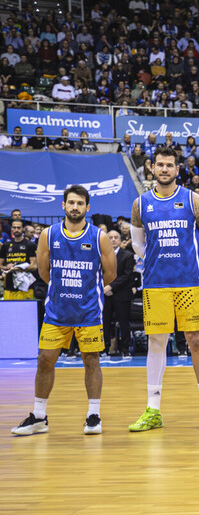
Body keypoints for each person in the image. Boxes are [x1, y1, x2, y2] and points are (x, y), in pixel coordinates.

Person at [128, 146, 199, 431]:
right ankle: (153, 409)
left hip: (189, 282)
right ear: (151, 169)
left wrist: (194, 261)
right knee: (157, 343)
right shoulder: (140, 204)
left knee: (195, 340)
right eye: (160, 165)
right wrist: (154, 261)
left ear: (177, 169)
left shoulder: (192, 199)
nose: (165, 169)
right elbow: (137, 244)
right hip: (156, 284)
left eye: (170, 165)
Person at [12, 186, 115, 436]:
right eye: (71, 202)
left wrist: (87, 290)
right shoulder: (49, 234)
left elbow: (110, 274)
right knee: (45, 360)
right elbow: (44, 272)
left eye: (80, 203)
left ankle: (93, 415)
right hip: (57, 311)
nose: (75, 207)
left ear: (87, 208)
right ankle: (38, 416)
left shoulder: (98, 236)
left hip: (88, 311)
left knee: (91, 360)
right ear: (63, 206)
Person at [104, 229, 136, 357]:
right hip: (105, 294)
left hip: (122, 294)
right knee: (105, 323)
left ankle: (125, 349)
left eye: (115, 237)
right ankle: (104, 349)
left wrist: (111, 287)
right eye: (110, 237)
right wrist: (105, 288)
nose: (113, 239)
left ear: (120, 239)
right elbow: (99, 273)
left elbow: (127, 275)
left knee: (124, 322)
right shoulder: (101, 255)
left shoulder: (127, 255)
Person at [2, 218, 37, 300]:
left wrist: (18, 268)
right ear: (11, 229)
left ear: (23, 229)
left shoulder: (30, 245)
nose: (16, 229)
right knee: (8, 312)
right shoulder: (6, 245)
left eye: (19, 227)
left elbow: (34, 266)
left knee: (26, 312)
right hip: (9, 286)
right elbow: (1, 265)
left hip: (26, 287)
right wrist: (7, 267)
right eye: (14, 227)